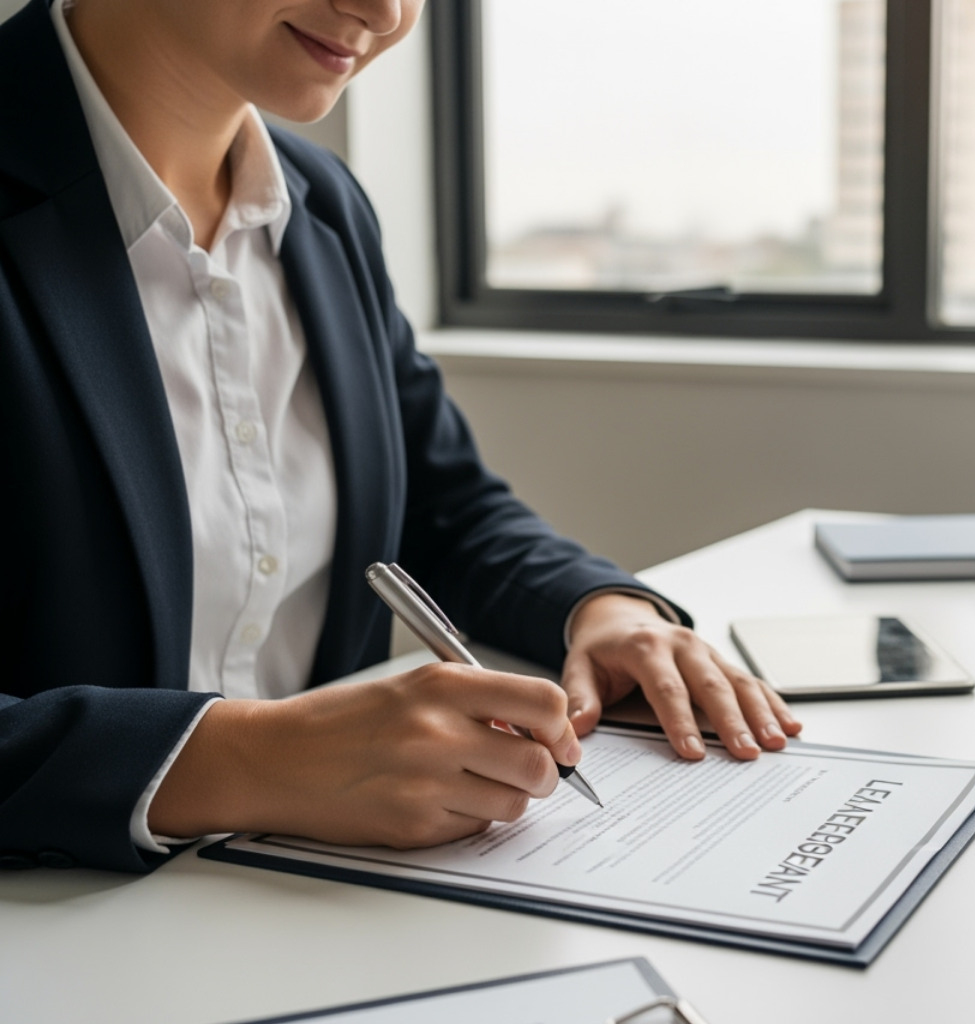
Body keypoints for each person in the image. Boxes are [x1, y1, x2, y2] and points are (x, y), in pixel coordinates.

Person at [0, 0, 801, 873]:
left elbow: (444, 506)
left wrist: (598, 608)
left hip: (320, 901)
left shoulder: (323, 207)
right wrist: (244, 760)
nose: (384, 13)